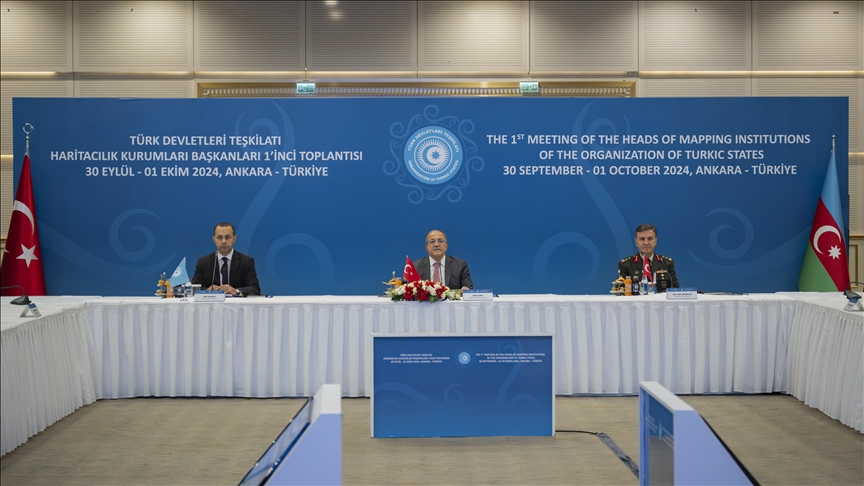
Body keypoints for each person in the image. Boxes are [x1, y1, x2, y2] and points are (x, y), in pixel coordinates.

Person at [191, 222, 261, 296]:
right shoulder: (203, 262)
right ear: (214, 239)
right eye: (219, 237)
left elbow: (255, 289)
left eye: (227, 237)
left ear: (234, 239)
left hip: (237, 303)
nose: (223, 241)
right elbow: (194, 289)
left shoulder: (246, 262)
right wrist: (207, 291)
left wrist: (235, 291)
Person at [618, 224, 679, 288]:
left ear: (655, 241)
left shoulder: (666, 264)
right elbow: (621, 290)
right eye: (642, 239)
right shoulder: (626, 265)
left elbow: (675, 289)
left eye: (650, 239)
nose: (646, 243)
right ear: (636, 242)